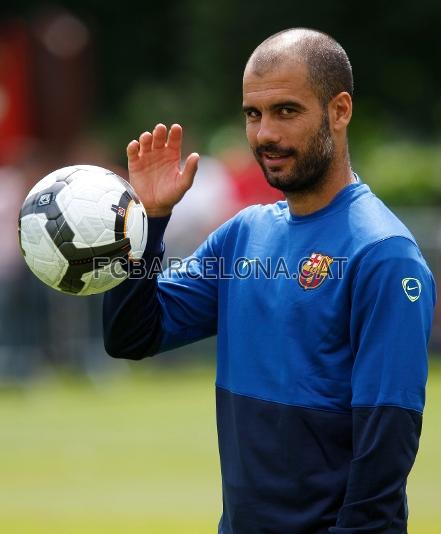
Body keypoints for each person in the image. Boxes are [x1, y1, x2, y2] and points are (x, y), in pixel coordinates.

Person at [103, 28, 436, 533]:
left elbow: (386, 440)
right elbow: (132, 335)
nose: (264, 135)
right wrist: (146, 223)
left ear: (339, 110)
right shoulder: (243, 237)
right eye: (253, 115)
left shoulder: (384, 255)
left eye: (286, 111)